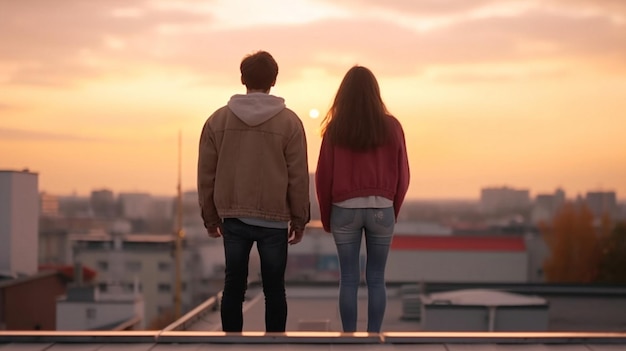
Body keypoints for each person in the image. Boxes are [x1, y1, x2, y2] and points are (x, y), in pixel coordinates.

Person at [197, 50, 310, 332]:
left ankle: (232, 343)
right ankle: (274, 344)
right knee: (275, 289)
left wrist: (210, 219)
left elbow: (206, 175)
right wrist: (299, 220)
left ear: (242, 79)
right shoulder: (290, 123)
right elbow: (298, 177)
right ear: (274, 81)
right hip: (274, 219)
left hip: (233, 217)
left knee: (233, 286)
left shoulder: (217, 120)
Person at [315, 65, 410, 333]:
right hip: (382, 209)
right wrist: (393, 210)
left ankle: (348, 338)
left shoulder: (335, 129)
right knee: (377, 278)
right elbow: (403, 175)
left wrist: (326, 218)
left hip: (344, 209)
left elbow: (323, 178)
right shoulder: (393, 127)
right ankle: (373, 337)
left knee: (348, 278)